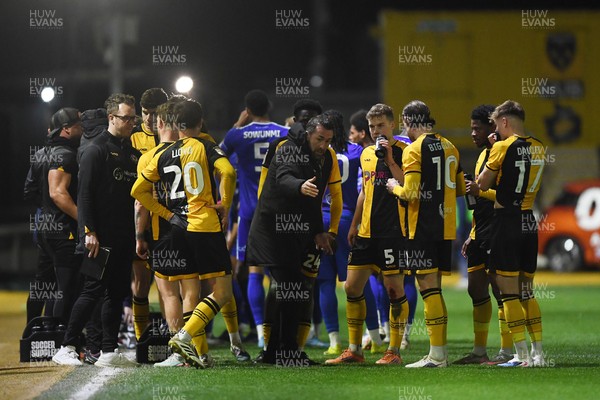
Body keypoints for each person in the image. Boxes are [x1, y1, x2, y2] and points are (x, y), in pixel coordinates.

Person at [132, 99, 237, 369]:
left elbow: (137, 192)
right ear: (200, 123)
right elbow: (227, 171)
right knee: (221, 292)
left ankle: (198, 352)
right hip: (205, 225)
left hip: (177, 229)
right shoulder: (203, 144)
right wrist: (225, 202)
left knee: (179, 292)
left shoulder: (160, 154)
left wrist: (166, 214)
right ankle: (185, 337)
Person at [52, 93, 140, 367]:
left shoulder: (132, 153)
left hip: (123, 236)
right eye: (127, 117)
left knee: (116, 292)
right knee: (92, 290)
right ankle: (65, 347)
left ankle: (108, 350)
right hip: (98, 237)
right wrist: (88, 231)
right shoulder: (95, 150)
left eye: (133, 118)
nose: (131, 122)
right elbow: (85, 195)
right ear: (111, 118)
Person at [247, 114, 337, 365]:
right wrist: (299, 186)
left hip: (291, 234)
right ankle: (287, 352)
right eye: (320, 139)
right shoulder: (288, 149)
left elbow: (315, 201)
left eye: (328, 140)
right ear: (308, 134)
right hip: (270, 232)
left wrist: (319, 231)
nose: (324, 145)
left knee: (287, 290)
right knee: (295, 288)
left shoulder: (323, 157)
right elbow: (283, 177)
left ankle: (274, 352)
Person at [326, 103, 408, 365]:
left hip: (393, 232)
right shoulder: (366, 154)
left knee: (394, 289)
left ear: (392, 125)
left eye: (380, 125)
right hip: (366, 232)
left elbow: (408, 185)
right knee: (351, 287)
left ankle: (394, 351)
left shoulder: (405, 151)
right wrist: (354, 225)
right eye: (372, 127)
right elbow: (365, 190)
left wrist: (391, 160)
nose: (375, 131)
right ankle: (354, 349)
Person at [386, 100, 465, 368]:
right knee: (436, 291)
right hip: (446, 226)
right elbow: (463, 188)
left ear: (409, 121)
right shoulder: (450, 146)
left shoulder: (414, 150)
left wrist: (393, 186)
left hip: (422, 227)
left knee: (428, 290)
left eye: (403, 124)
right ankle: (438, 353)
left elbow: (410, 193)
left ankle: (437, 356)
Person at [477, 100, 546, 367]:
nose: (496, 130)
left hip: (506, 222)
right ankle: (538, 354)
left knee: (509, 293)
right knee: (527, 291)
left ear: (504, 122)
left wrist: (494, 148)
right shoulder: (539, 146)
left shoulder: (502, 147)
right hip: (529, 220)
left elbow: (483, 183)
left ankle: (521, 356)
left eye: (496, 124)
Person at [220, 90, 288, 348]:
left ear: (247, 110)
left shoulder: (237, 135)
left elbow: (218, 156)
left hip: (249, 213)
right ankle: (280, 330)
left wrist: (238, 124)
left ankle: (261, 335)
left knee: (254, 273)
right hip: (280, 212)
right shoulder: (283, 131)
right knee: (281, 274)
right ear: (269, 106)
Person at [317, 110, 384, 356]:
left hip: (323, 219)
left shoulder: (320, 151)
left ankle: (334, 341)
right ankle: (375, 337)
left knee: (325, 281)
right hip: (347, 219)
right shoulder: (359, 151)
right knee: (358, 281)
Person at [453, 104, 513, 365]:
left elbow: (507, 197)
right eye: (471, 128)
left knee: (501, 291)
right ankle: (479, 351)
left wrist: (480, 191)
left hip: (500, 229)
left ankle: (508, 351)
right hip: (481, 231)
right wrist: (472, 233)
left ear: (493, 127)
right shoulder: (481, 157)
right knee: (476, 289)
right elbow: (479, 199)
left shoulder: (506, 153)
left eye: (477, 128)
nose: (472, 133)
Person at [35, 108, 83, 327]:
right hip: (63, 229)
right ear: (66, 129)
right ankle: (59, 340)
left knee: (50, 285)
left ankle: (44, 336)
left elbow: (29, 190)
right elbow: (58, 194)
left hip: (45, 226)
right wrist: (84, 221)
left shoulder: (41, 153)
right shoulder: (66, 154)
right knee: (67, 286)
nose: (82, 130)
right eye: (78, 126)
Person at [129, 88, 169, 341]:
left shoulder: (176, 136)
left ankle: (173, 336)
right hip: (140, 217)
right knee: (141, 284)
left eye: (154, 114)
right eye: (145, 114)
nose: (149, 119)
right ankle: (140, 337)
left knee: (169, 285)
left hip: (169, 220)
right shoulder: (132, 138)